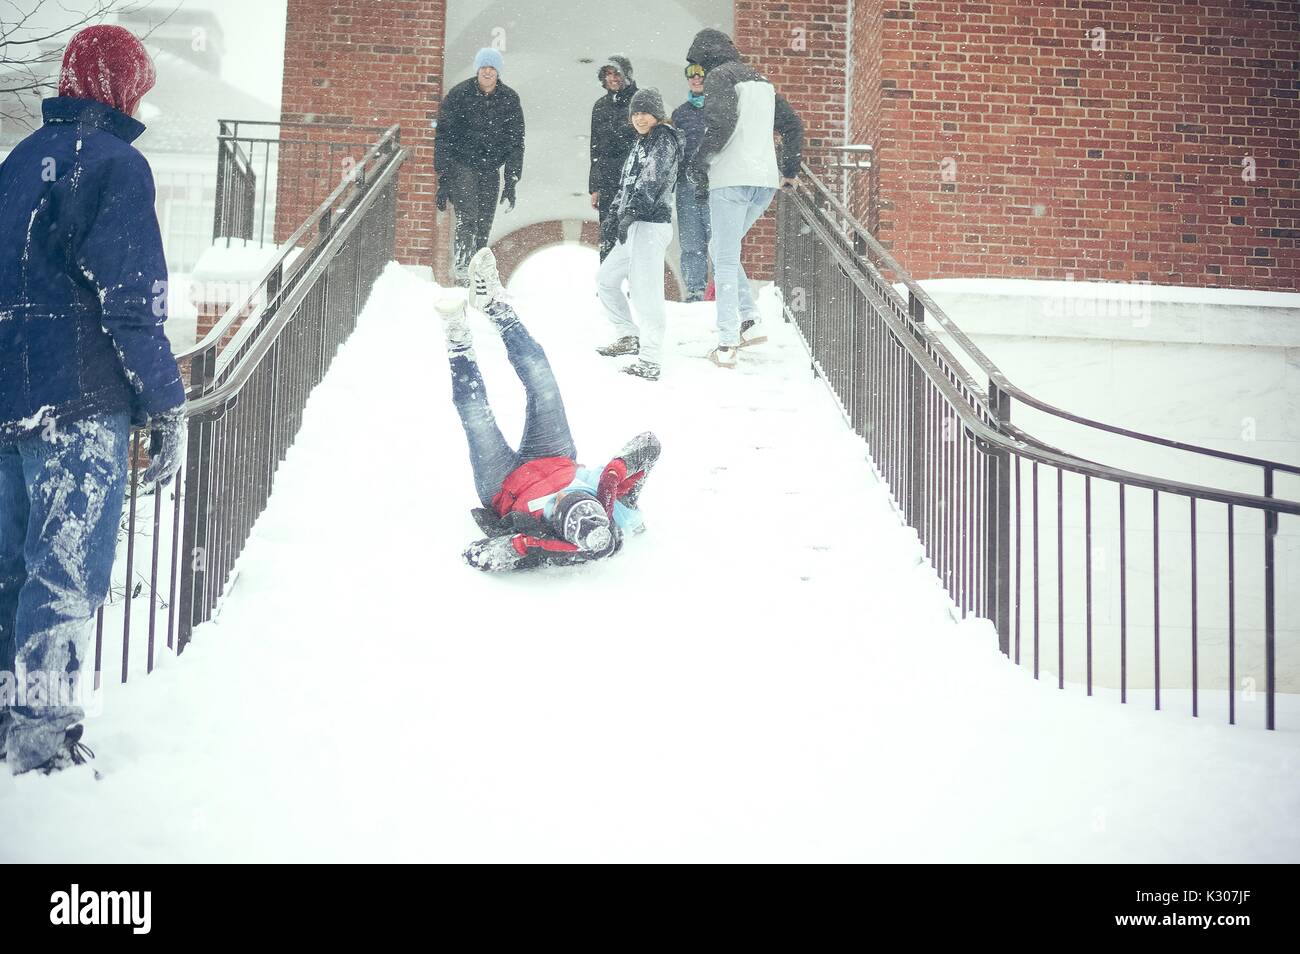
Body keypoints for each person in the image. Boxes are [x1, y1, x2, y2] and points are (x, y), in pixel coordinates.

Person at [0, 25, 187, 774]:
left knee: (12, 565)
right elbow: (131, 301)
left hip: (9, 398)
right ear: (122, 86)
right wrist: (163, 402)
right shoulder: (117, 165)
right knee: (66, 569)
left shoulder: (15, 164)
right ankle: (42, 741)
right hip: (77, 400)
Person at [438, 248, 660, 572]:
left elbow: (479, 556)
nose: (558, 497)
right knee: (540, 375)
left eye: (557, 508)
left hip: (501, 485)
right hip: (554, 454)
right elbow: (649, 444)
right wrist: (613, 476)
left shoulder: (539, 538)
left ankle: (457, 340)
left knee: (474, 412)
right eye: (570, 496)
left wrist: (535, 546)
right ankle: (494, 306)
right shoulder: (614, 505)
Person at [684, 29, 804, 369]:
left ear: (705, 57)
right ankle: (750, 319)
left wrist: (699, 161)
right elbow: (794, 125)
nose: (700, 73)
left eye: (698, 65)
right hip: (764, 182)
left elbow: (720, 125)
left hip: (731, 180)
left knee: (722, 257)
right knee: (720, 248)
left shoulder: (719, 78)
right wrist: (789, 170)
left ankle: (725, 342)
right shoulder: (762, 82)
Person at [593, 89, 684, 382]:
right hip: (631, 224)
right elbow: (627, 183)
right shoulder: (639, 143)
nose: (639, 118)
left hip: (649, 223)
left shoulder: (664, 138)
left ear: (656, 114)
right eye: (635, 113)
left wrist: (634, 210)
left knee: (646, 293)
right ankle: (628, 335)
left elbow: (652, 179)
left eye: (644, 112)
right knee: (605, 280)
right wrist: (614, 215)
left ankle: (650, 359)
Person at [435, 48, 526, 285]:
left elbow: (516, 142)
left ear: (498, 72)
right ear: (477, 69)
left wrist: (511, 182)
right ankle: (464, 270)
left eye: (492, 68)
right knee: (468, 217)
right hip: (462, 164)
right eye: (484, 67)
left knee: (485, 220)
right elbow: (443, 135)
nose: (488, 71)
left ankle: (477, 271)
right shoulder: (459, 95)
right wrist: (444, 178)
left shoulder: (509, 99)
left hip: (490, 168)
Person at [588, 55, 639, 262]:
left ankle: (634, 285)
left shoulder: (639, 99)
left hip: (633, 176)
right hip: (607, 178)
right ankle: (607, 285)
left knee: (633, 231)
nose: (612, 78)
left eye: (617, 72)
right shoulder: (600, 106)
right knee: (608, 232)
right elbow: (595, 148)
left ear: (626, 74)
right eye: (608, 74)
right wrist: (594, 187)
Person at [671, 63, 711, 302]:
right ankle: (695, 290)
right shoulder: (680, 114)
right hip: (686, 182)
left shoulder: (718, 108)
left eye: (700, 74)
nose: (695, 79)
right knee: (691, 239)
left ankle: (719, 291)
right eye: (691, 75)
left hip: (713, 181)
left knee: (717, 237)